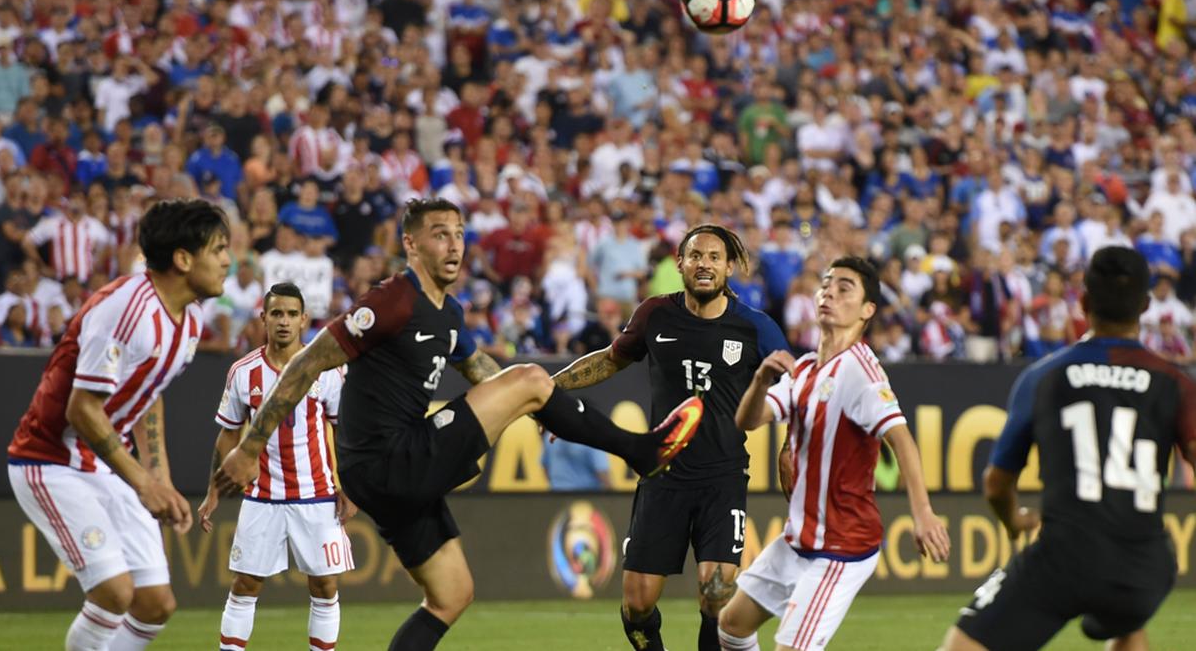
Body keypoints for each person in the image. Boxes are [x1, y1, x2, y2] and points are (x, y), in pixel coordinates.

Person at [212, 198, 702, 651]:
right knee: (532, 376)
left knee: (451, 596)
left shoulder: (449, 313)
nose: (453, 245)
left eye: (460, 234)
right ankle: (641, 451)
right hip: (389, 458)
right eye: (440, 234)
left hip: (393, 478)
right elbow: (305, 364)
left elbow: (484, 373)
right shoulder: (390, 301)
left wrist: (537, 407)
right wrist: (251, 446)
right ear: (411, 244)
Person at [939, 246, 1196, 651]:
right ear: (1146, 305)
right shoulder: (1175, 383)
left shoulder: (1045, 376)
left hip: (1065, 557)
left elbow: (996, 483)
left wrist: (1013, 521)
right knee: (1126, 622)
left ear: (1085, 301)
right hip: (1146, 566)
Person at [6, 199, 230, 651]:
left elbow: (149, 394)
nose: (228, 260)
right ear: (184, 259)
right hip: (49, 459)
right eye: (219, 249)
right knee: (114, 593)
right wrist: (143, 484)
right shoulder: (128, 310)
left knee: (155, 604)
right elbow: (82, 409)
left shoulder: (189, 319)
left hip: (104, 464)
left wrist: (161, 479)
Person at [552, 224, 788, 651]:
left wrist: (792, 445)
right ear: (679, 263)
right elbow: (609, 361)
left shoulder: (755, 328)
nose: (705, 265)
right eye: (696, 256)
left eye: (715, 257)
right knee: (637, 603)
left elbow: (797, 387)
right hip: (663, 476)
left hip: (723, 477)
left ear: (729, 267)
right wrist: (552, 393)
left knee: (716, 593)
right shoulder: (655, 313)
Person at [719, 255, 950, 651]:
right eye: (827, 284)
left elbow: (902, 439)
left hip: (841, 548)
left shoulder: (862, 371)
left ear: (867, 310)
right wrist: (760, 379)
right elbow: (748, 420)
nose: (830, 292)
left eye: (845, 288)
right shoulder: (806, 368)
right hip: (798, 540)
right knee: (731, 626)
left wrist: (923, 512)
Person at [198, 282, 355, 651]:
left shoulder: (329, 370)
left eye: (291, 314)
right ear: (263, 318)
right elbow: (228, 436)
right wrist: (214, 489)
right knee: (245, 584)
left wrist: (349, 485)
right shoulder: (243, 372)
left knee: (325, 585)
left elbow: (342, 431)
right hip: (262, 496)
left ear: (304, 319)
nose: (283, 321)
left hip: (317, 495)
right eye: (276, 314)